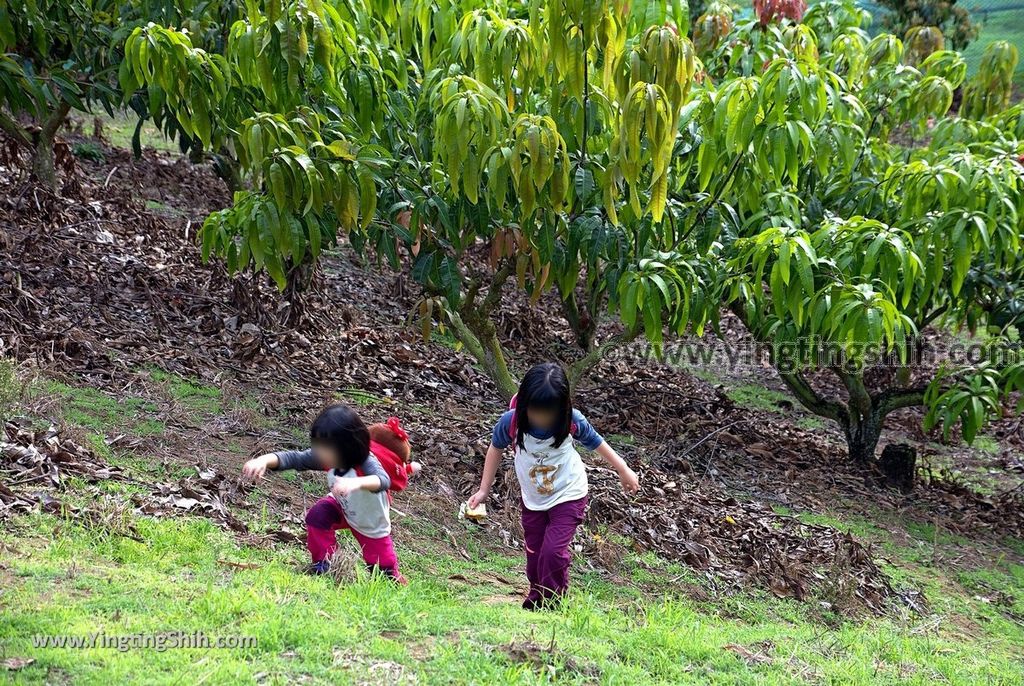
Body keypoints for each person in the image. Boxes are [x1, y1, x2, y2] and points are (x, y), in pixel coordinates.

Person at [468, 362, 639, 609]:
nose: (542, 419)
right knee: (535, 553)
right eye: (536, 412)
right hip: (533, 499)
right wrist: (484, 489)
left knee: (553, 552)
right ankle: (537, 595)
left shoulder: (571, 420)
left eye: (549, 413)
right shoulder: (511, 422)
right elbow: (495, 449)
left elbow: (598, 443)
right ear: (525, 404)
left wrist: (623, 469)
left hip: (569, 494)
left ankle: (554, 601)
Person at [242, 404, 417, 582]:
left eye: (325, 447)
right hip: (342, 505)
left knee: (383, 569)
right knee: (318, 516)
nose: (319, 453)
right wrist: (263, 460)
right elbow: (294, 458)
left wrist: (356, 482)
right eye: (317, 445)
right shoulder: (326, 455)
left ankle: (393, 580)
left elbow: (383, 480)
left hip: (370, 518)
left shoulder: (365, 459)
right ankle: (325, 564)